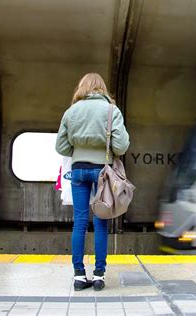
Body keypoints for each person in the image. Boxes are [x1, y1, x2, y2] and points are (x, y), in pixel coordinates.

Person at [55, 73, 130, 291]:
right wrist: (106, 148)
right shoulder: (111, 111)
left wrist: (78, 150)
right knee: (100, 222)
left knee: (79, 222)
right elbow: (121, 145)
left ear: (83, 88)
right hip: (102, 172)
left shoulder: (72, 111)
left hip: (78, 170)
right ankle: (98, 275)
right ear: (102, 89)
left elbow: (61, 147)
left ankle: (79, 276)